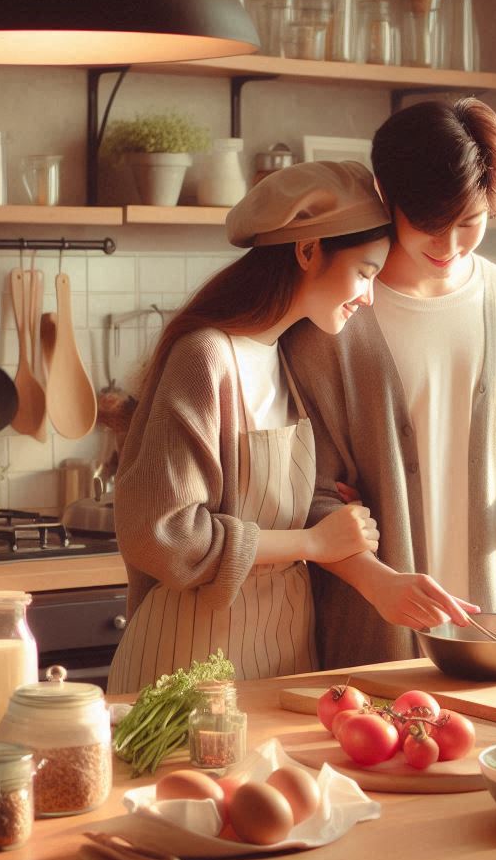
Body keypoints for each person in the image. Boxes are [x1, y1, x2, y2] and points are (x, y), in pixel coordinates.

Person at [282, 98, 496, 670]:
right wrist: (377, 582)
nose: (447, 247)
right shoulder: (331, 321)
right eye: (429, 225)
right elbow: (306, 494)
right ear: (386, 197)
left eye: (469, 223)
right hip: (374, 645)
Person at [107, 161, 392, 693]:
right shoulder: (205, 357)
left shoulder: (293, 358)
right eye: (365, 272)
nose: (368, 296)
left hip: (283, 657)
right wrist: (311, 542)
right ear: (307, 250)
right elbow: (162, 534)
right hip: (185, 670)